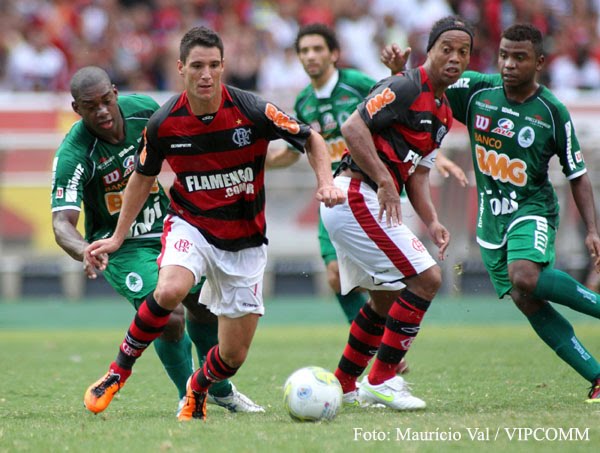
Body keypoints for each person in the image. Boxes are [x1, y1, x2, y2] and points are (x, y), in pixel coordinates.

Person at [85, 26, 344, 421]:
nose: (205, 74)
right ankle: (117, 373)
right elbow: (141, 177)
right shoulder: (164, 122)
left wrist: (325, 181)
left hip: (245, 241)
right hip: (191, 225)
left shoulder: (252, 109)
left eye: (213, 65)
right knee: (170, 289)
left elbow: (312, 140)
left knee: (232, 356)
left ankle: (198, 388)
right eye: (196, 66)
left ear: (223, 67)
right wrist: (119, 236)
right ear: (181, 68)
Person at [384, 23, 600, 402]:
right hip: (491, 220)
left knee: (526, 275)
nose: (508, 64)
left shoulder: (552, 111)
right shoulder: (477, 91)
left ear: (539, 63)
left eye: (519, 58)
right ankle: (597, 376)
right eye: (503, 55)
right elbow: (423, 92)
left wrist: (592, 229)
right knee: (525, 297)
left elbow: (577, 175)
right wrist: (398, 72)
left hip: (532, 209)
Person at [51, 66, 263, 417]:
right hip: (121, 247)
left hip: (170, 228)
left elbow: (185, 144)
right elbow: (61, 223)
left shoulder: (144, 110)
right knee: (168, 314)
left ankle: (220, 390)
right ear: (77, 109)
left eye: (106, 101)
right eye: (91, 106)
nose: (102, 111)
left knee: (207, 307)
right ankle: (189, 396)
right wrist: (82, 250)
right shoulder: (75, 153)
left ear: (116, 93)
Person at [266, 23, 468, 332]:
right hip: (336, 191)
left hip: (376, 189)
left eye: (318, 49)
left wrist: (435, 157)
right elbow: (295, 152)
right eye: (304, 51)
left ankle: (377, 346)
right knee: (336, 276)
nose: (311, 56)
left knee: (392, 284)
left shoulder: (357, 83)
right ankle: (373, 345)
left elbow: (402, 114)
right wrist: (256, 162)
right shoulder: (304, 101)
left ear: (335, 54)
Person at [321, 15, 473, 410]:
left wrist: (433, 220)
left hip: (370, 200)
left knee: (384, 302)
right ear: (431, 51)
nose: (454, 58)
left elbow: (420, 175)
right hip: (356, 194)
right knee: (428, 279)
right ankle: (383, 378)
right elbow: (354, 129)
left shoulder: (443, 114)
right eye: (447, 49)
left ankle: (344, 382)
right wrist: (385, 180)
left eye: (463, 52)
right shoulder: (405, 85)